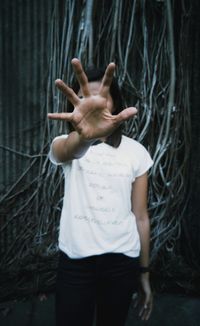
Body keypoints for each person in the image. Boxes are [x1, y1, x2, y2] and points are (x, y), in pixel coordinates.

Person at [48, 58, 153, 326]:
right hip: (75, 262)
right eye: (84, 97)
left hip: (121, 261)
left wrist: (143, 273)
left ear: (115, 101)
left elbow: (140, 216)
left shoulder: (136, 152)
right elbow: (69, 150)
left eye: (100, 97)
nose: (92, 104)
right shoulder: (66, 145)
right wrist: (86, 136)